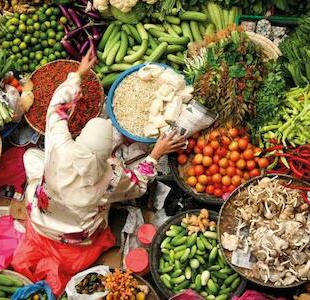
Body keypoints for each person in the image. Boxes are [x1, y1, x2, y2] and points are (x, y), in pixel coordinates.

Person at [11, 47, 186, 295]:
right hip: (77, 235)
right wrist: (156, 153)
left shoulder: (59, 144)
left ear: (80, 137)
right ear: (107, 154)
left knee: (32, 156)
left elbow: (57, 108)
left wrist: (78, 75)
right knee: (116, 196)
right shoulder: (110, 179)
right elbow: (138, 184)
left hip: (42, 215)